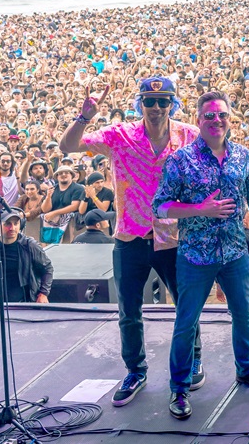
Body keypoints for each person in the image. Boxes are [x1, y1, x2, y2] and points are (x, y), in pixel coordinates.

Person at [59, 77, 204, 408]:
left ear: (172, 104)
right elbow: (68, 147)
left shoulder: (189, 135)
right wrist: (84, 117)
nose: (156, 108)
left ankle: (194, 359)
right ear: (140, 104)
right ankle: (135, 371)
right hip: (130, 236)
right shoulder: (119, 135)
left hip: (174, 237)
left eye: (163, 101)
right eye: (149, 101)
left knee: (187, 306)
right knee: (128, 311)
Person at [154, 91, 249, 420]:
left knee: (244, 315)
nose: (216, 120)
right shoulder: (180, 160)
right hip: (195, 256)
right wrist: (200, 209)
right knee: (186, 322)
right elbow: (160, 207)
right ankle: (179, 388)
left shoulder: (244, 157)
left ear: (230, 118)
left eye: (221, 114)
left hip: (235, 251)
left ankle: (247, 370)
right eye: (209, 115)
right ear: (198, 120)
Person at [0, 208, 53, 303]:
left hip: (23, 302)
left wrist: (43, 293)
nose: (12, 228)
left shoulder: (29, 245)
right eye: (8, 224)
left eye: (16, 224)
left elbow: (47, 268)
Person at [40, 165, 83, 244]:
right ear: (57, 177)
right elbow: (45, 209)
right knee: (49, 247)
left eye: (66, 173)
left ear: (71, 175)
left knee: (66, 247)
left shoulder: (78, 188)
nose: (63, 175)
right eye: (60, 173)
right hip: (51, 224)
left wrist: (54, 213)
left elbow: (74, 206)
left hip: (70, 224)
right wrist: (48, 197)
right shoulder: (52, 189)